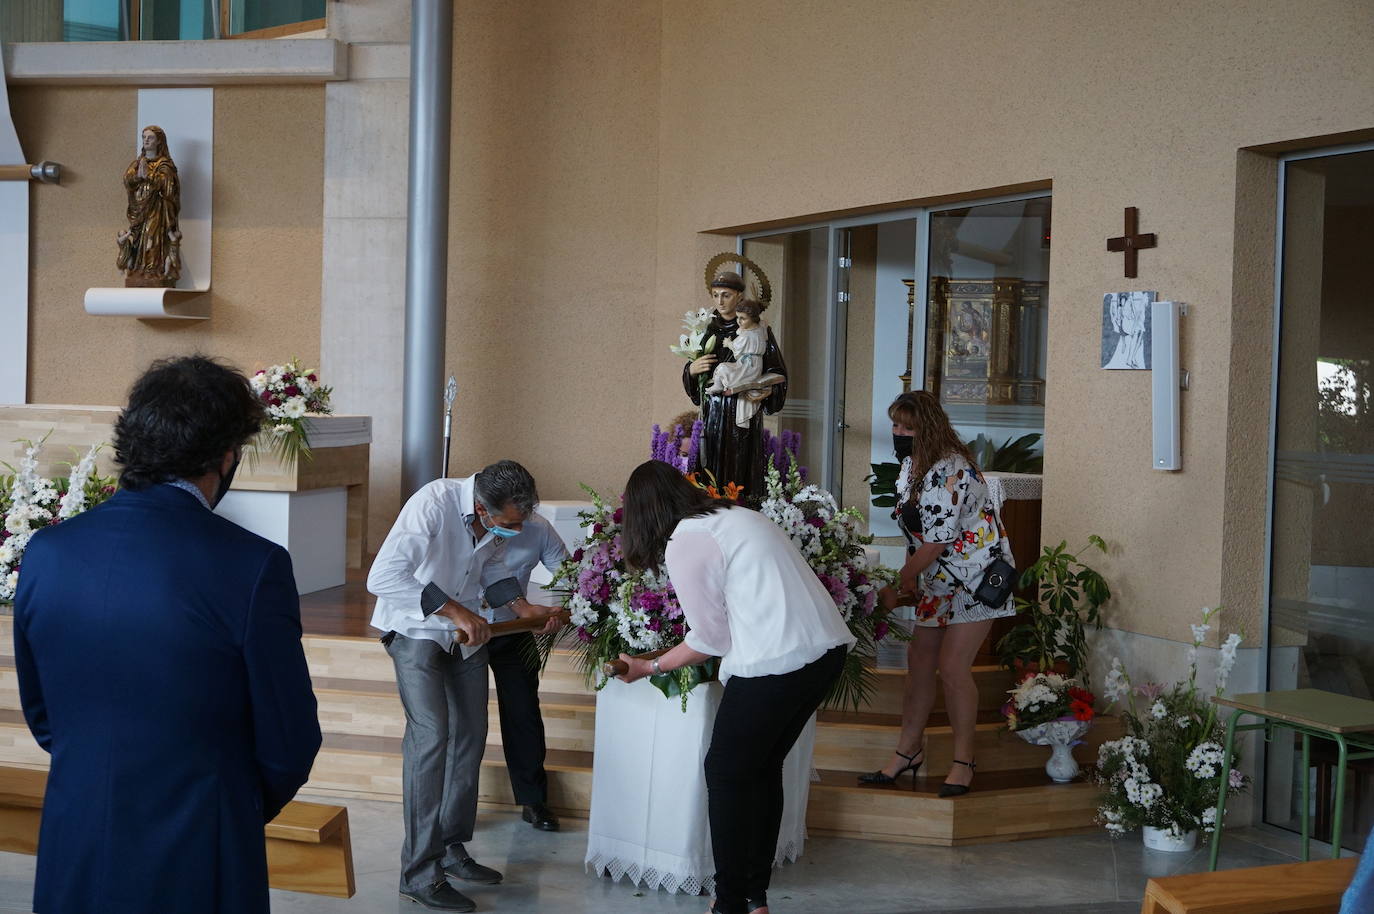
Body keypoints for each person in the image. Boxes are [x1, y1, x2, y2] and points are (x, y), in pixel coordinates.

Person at [13, 355, 322, 914]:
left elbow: (42, 712)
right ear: (227, 454)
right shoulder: (251, 566)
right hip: (199, 842)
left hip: (78, 828)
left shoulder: (47, 553)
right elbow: (289, 740)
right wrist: (230, 803)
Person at [615, 460, 854, 914]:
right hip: (823, 652)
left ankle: (729, 904)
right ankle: (753, 896)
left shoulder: (687, 540)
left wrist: (647, 667)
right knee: (761, 770)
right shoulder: (737, 516)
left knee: (725, 773)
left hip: (778, 661)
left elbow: (710, 640)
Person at [368, 460, 562, 913]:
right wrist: (456, 612)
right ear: (481, 507)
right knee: (431, 738)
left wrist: (523, 609)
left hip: (467, 636)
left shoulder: (496, 520)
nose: (515, 532)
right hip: (415, 633)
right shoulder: (431, 505)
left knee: (471, 737)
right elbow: (383, 578)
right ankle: (418, 874)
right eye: (509, 524)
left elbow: (492, 572)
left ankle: (451, 849)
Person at [858, 390, 1015, 797]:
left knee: (954, 665)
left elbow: (939, 540)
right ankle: (908, 751)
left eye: (907, 427)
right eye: (895, 424)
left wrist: (898, 583)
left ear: (927, 427)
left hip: (977, 577)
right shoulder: (911, 465)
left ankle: (964, 761)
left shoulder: (953, 469)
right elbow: (915, 532)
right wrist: (910, 579)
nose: (898, 433)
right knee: (919, 662)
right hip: (936, 579)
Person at [481, 510, 568, 832]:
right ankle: (454, 807)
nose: (517, 526)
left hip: (513, 628)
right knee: (466, 720)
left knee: (524, 712)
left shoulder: (539, 527)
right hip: (464, 628)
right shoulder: (466, 523)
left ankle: (534, 801)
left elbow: (567, 574)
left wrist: (560, 609)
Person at [684, 270, 788, 504]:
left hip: (742, 410)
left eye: (726, 295)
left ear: (739, 297)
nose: (720, 301)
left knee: (740, 466)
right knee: (709, 465)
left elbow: (777, 370)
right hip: (713, 412)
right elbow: (693, 370)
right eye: (715, 295)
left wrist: (768, 389)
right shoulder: (706, 328)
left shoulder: (757, 330)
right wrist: (692, 370)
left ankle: (742, 509)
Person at [116, 125, 182, 288]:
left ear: (159, 141)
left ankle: (152, 270)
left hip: (157, 210)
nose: (146, 140)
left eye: (150, 137)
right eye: (144, 137)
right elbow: (127, 180)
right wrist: (138, 177)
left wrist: (150, 176)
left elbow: (168, 187)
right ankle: (137, 269)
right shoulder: (137, 163)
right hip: (139, 209)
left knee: (152, 238)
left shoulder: (164, 165)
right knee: (138, 240)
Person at [704, 298, 773, 428]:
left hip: (747, 367)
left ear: (753, 318)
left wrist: (728, 343)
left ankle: (718, 385)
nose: (739, 321)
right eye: (738, 317)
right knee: (726, 368)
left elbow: (736, 348)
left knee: (723, 367)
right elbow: (762, 323)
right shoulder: (760, 329)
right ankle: (720, 384)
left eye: (743, 318)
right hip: (754, 366)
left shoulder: (747, 336)